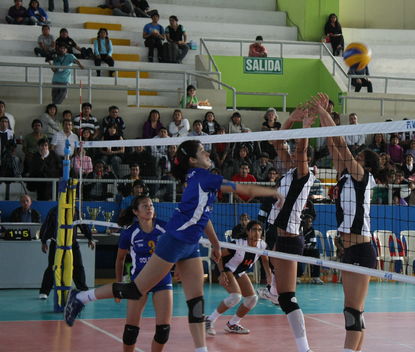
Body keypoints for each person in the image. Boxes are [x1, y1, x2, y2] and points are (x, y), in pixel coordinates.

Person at [64, 140, 282, 352]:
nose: (207, 153)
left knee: (196, 302)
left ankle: (201, 349)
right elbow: (244, 189)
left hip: (190, 245)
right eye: (202, 151)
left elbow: (203, 216)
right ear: (193, 160)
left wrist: (215, 243)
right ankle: (81, 297)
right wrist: (275, 193)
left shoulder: (197, 178)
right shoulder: (204, 177)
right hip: (175, 240)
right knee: (135, 289)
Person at [309, 92, 378, 352]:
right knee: (353, 310)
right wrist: (322, 119)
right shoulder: (345, 177)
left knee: (352, 310)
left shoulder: (362, 177)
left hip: (362, 248)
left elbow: (342, 144)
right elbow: (333, 144)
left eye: (359, 158)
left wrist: (323, 111)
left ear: (365, 165)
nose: (354, 159)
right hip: (349, 249)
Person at [258, 107, 316, 352]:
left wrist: (306, 125)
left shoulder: (304, 174)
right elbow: (276, 141)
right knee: (281, 293)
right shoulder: (290, 172)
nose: (291, 154)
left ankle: (305, 349)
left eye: (295, 153)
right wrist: (291, 119)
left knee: (288, 298)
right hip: (278, 235)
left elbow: (301, 149)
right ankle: (272, 289)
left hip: (291, 239)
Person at [115, 196, 172, 351]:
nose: (149, 208)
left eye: (151, 205)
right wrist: (119, 285)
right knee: (131, 330)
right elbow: (120, 260)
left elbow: (177, 249)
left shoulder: (164, 228)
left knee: (163, 331)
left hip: (162, 279)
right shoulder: (129, 233)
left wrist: (179, 268)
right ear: (135, 211)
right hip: (139, 281)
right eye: (145, 206)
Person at [205, 220, 272, 335]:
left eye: (260, 230)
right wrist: (221, 273)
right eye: (254, 230)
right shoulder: (238, 244)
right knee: (235, 296)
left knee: (252, 298)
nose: (257, 233)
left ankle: (232, 324)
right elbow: (217, 255)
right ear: (248, 232)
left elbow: (265, 260)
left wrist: (269, 275)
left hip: (239, 271)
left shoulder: (262, 245)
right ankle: (209, 320)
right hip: (225, 268)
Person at [38, 206, 94, 300]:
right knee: (52, 267)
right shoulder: (54, 211)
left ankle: (82, 289)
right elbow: (47, 226)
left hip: (72, 243)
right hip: (56, 243)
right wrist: (43, 241)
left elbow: (82, 224)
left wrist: (90, 238)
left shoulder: (75, 210)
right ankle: (44, 292)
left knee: (78, 266)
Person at [296, 214, 324, 285]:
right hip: (300, 250)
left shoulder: (312, 230)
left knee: (316, 252)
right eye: (308, 221)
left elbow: (313, 243)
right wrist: (304, 245)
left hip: (308, 250)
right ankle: (297, 277)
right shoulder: (298, 229)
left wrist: (306, 245)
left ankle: (315, 277)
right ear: (304, 221)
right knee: (297, 253)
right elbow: (298, 241)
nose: (310, 223)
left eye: (311, 222)